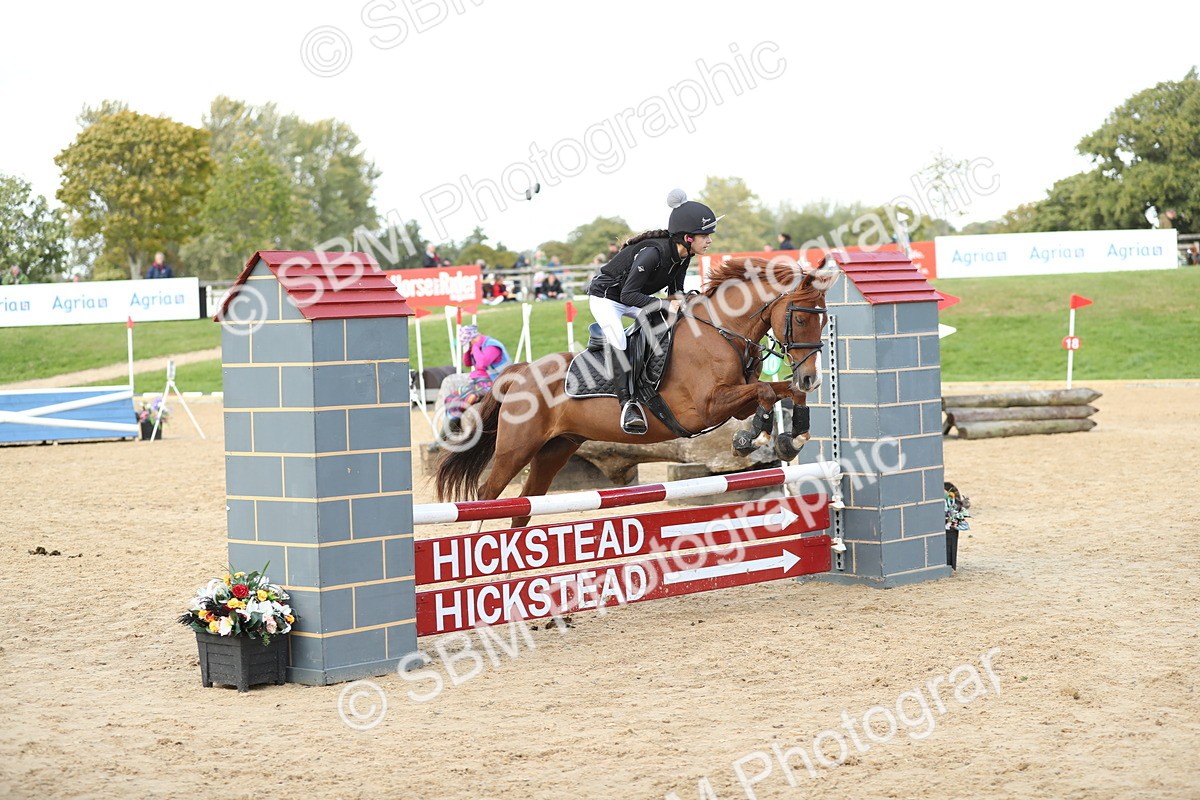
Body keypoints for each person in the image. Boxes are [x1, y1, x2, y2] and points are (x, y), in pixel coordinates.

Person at [587, 188, 720, 435]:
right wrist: (663, 305)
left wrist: (694, 300)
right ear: (688, 237)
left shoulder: (683, 255)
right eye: (705, 235)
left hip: (633, 298)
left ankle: (655, 381)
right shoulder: (653, 252)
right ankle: (627, 403)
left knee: (667, 326)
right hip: (607, 299)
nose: (710, 240)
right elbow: (628, 295)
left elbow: (675, 292)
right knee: (618, 338)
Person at [444, 325, 512, 431]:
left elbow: (481, 364)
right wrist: (467, 351)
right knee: (451, 398)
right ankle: (449, 434)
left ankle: (449, 435)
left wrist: (475, 347)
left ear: (472, 339)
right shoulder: (478, 347)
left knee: (465, 400)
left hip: (495, 383)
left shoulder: (492, 346)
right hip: (480, 382)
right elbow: (467, 363)